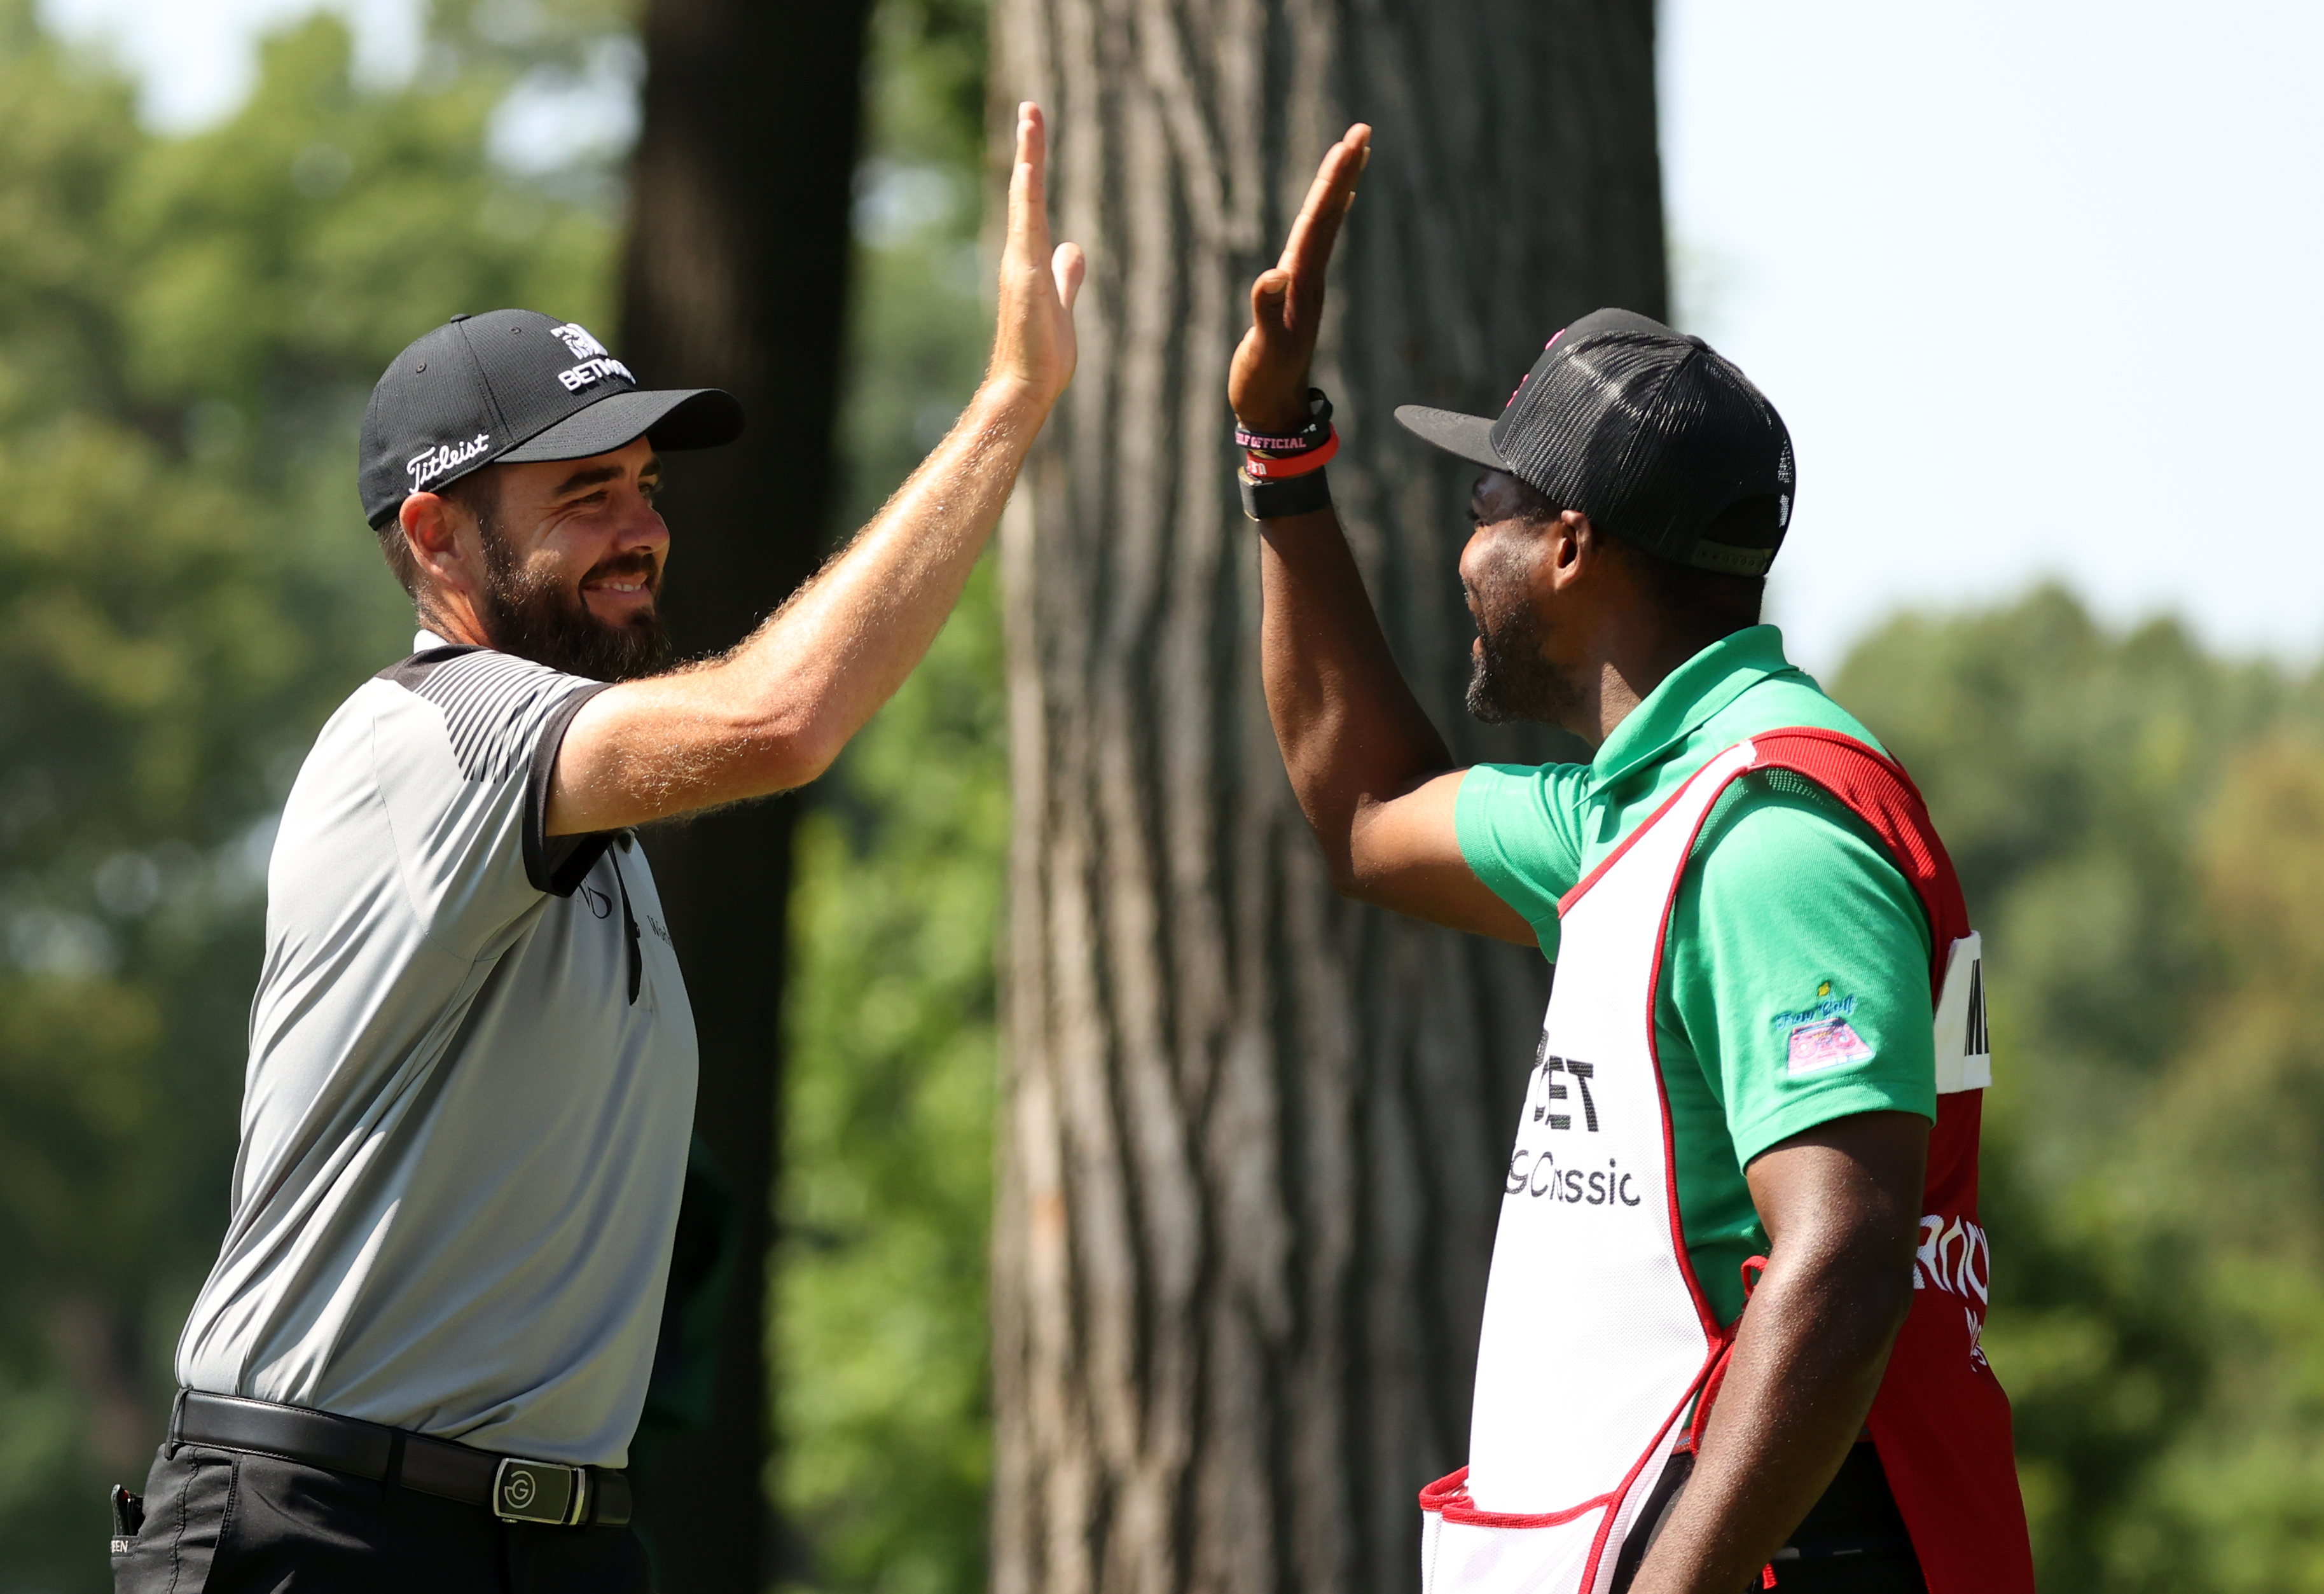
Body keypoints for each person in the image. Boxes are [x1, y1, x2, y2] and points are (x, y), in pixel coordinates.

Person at [107, 103, 1083, 1594]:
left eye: (648, 486)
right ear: (435, 538)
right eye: (583, 495)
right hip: (324, 1531)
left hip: (548, 1539)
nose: (643, 529)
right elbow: (787, 716)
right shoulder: (439, 733)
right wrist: (1008, 403)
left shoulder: (573, 799)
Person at [1230, 128, 2035, 1594]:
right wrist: (1284, 456)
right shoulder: (1634, 807)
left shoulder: (1773, 827)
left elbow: (1845, 1259)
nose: (1462, 547)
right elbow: (1365, 814)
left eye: (1488, 507)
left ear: (1573, 546)